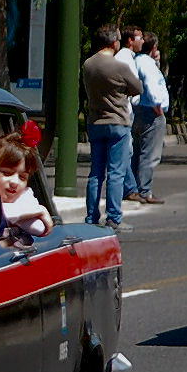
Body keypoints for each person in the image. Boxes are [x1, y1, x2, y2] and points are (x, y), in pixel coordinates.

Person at [83, 25, 143, 232]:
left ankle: (91, 216)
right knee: (116, 172)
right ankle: (114, 218)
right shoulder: (119, 66)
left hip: (95, 122)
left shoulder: (88, 65)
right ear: (114, 42)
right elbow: (138, 88)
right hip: (117, 121)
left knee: (96, 172)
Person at [131, 32, 170, 204]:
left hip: (138, 109)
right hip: (151, 111)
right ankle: (145, 191)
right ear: (153, 47)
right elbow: (151, 84)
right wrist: (157, 106)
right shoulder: (147, 64)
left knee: (137, 152)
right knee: (149, 154)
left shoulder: (136, 61)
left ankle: (135, 188)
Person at [0, 130, 52, 237]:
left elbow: (38, 227)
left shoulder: (24, 197)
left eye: (22, 177)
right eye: (6, 173)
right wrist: (38, 210)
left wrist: (17, 216)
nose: (14, 182)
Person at [115, 25, 144, 203]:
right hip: (124, 110)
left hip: (126, 109)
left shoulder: (128, 57)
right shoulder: (124, 59)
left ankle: (130, 187)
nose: (142, 41)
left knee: (127, 150)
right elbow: (132, 86)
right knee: (125, 151)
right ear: (130, 41)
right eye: (139, 38)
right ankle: (130, 188)